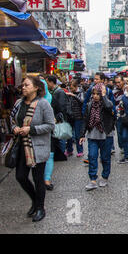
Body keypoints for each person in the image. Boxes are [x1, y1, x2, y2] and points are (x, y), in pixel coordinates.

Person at [10, 76, 55, 222]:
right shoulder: (19, 103)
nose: (23, 87)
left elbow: (50, 125)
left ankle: (40, 208)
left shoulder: (43, 104)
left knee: (38, 179)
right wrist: (15, 128)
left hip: (37, 148)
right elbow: (12, 120)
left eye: (26, 85)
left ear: (36, 87)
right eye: (22, 85)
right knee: (20, 177)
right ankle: (35, 201)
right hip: (22, 146)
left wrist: (31, 129)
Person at [79, 83, 115, 191]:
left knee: (105, 158)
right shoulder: (90, 104)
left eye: (97, 94)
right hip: (92, 134)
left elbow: (109, 106)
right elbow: (85, 119)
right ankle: (93, 180)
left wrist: (104, 95)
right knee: (92, 156)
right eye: (93, 94)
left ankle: (104, 176)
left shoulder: (107, 103)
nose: (95, 96)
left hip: (106, 134)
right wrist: (82, 134)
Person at [45, 75, 71, 189]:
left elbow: (60, 107)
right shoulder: (53, 93)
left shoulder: (56, 93)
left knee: (58, 139)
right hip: (52, 123)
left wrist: (59, 118)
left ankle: (62, 153)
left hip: (55, 122)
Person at [65, 80, 85, 158]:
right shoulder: (69, 93)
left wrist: (73, 95)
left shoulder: (81, 92)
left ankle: (80, 151)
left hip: (78, 117)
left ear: (76, 87)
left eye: (72, 88)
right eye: (70, 88)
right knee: (69, 135)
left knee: (78, 135)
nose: (71, 89)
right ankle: (69, 150)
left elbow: (82, 101)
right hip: (70, 116)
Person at [113, 75, 126, 155]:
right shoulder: (114, 92)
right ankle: (122, 147)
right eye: (116, 82)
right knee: (119, 132)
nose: (118, 84)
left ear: (123, 81)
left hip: (127, 114)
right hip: (118, 115)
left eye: (119, 82)